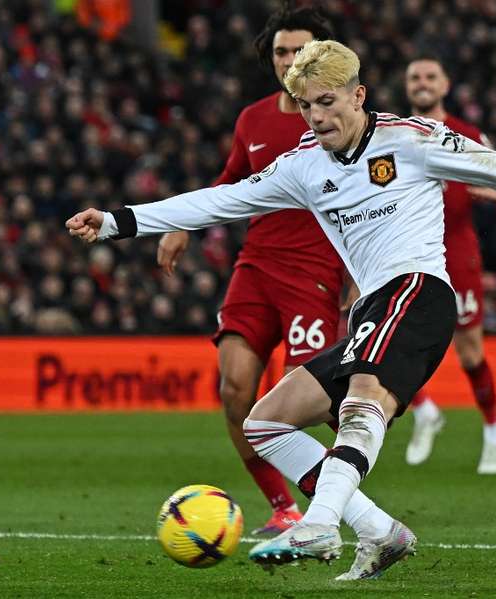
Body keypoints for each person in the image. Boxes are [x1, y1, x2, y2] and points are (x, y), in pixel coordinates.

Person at [66, 40, 496, 580]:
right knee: (264, 422)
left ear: (358, 95)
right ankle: (379, 529)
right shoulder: (303, 165)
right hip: (373, 307)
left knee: (362, 401)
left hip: (418, 292)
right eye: (307, 106)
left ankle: (318, 524)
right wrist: (119, 221)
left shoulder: (415, 140)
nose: (316, 117)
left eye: (328, 102)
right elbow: (221, 200)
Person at [155, 7, 344, 536]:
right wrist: (181, 224)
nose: (289, 60)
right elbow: (230, 182)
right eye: (281, 51)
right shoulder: (253, 120)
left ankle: (337, 495)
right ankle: (285, 508)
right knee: (236, 389)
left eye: (299, 51)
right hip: (257, 266)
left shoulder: (341, 119)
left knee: (300, 402)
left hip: (315, 272)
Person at [402, 56, 496, 474]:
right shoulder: (392, 131)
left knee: (469, 352)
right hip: (405, 248)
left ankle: (494, 430)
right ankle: (426, 410)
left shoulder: (466, 134)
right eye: (415, 78)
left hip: (456, 249)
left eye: (430, 76)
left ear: (445, 85)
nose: (422, 83)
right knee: (385, 344)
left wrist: (491, 191)